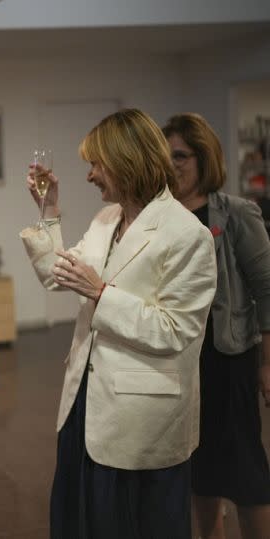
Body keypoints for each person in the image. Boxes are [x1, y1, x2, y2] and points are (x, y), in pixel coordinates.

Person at [20, 108, 217, 538]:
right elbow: (61, 276)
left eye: (96, 164)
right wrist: (49, 212)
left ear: (127, 161)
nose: (90, 176)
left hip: (143, 416)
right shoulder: (107, 220)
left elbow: (176, 330)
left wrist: (102, 294)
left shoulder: (187, 235)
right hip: (86, 402)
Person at [163, 112, 270, 539]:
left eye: (181, 156)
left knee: (245, 470)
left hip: (230, 357)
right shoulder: (161, 216)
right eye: (166, 156)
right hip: (183, 360)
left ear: (203, 157)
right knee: (199, 471)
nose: (172, 166)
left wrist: (266, 364)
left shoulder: (237, 213)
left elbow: (266, 289)